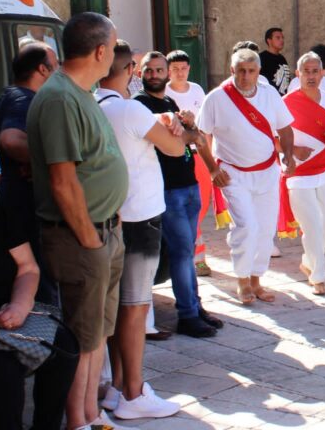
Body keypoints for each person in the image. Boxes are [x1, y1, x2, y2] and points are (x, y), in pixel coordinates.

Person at [27, 12, 129, 430]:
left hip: (104, 231)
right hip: (81, 239)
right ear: (101, 51)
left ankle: (91, 414)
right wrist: (90, 239)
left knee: (96, 335)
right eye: (115, 47)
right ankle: (77, 421)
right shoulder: (60, 99)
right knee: (82, 336)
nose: (117, 55)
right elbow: (63, 181)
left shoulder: (81, 92)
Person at [94, 44, 184, 419]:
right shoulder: (130, 109)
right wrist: (175, 126)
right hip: (139, 216)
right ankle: (133, 392)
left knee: (119, 308)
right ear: (131, 69)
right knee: (134, 308)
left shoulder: (94, 104)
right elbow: (175, 148)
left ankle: (117, 387)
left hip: (112, 216)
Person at [0, 151, 78, 430]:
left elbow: (28, 268)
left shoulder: (0, 215)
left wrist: (20, 305)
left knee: (63, 344)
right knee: (3, 369)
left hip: (5, 316)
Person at [197, 48, 295, 305]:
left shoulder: (269, 94)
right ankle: (242, 280)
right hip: (233, 174)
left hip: (267, 172)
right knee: (246, 226)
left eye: (251, 71)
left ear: (258, 72)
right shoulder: (216, 98)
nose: (245, 76)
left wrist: (289, 156)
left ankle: (256, 279)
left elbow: (285, 128)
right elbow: (200, 136)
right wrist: (212, 169)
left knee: (265, 228)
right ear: (232, 70)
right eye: (241, 71)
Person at [136, 52, 224, 338]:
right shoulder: (139, 105)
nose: (154, 75)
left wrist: (190, 126)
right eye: (149, 70)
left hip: (188, 184)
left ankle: (195, 307)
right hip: (167, 189)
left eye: (158, 70)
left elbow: (195, 137)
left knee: (188, 250)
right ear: (140, 73)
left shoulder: (169, 103)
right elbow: (176, 139)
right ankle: (187, 315)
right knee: (182, 251)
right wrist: (188, 133)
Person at [0, 42, 59, 304]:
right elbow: (10, 139)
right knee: (40, 283)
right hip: (26, 205)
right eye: (56, 65)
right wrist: (50, 163)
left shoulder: (14, 96)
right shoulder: (23, 99)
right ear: (43, 69)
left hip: (20, 202)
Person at [277, 53, 325, 296]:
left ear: (322, 73)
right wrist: (293, 150)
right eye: (306, 71)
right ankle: (318, 277)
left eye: (316, 71)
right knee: (312, 226)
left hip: (324, 170)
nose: (311, 76)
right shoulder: (285, 103)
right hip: (297, 172)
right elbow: (272, 138)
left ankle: (308, 262)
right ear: (298, 74)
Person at [164, 49, 214, 277]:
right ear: (168, 71)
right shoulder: (164, 93)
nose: (180, 72)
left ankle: (195, 251)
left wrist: (209, 154)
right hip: (175, 154)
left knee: (200, 203)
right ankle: (197, 256)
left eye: (183, 68)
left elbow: (204, 127)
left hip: (198, 153)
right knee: (182, 206)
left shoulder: (197, 90)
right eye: (175, 69)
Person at [259, 27, 292, 96]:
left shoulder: (282, 58)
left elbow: (287, 78)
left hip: (283, 98)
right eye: (278, 38)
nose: (282, 40)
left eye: (282, 38)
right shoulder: (261, 58)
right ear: (269, 41)